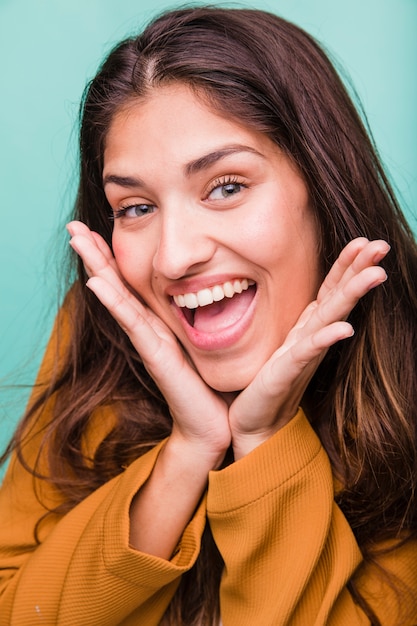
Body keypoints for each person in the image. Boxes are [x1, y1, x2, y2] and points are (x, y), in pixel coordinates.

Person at [0, 6, 416, 625]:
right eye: (135, 207)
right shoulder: (104, 332)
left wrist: (266, 443)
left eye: (226, 187)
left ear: (324, 190)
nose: (173, 257)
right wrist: (190, 449)